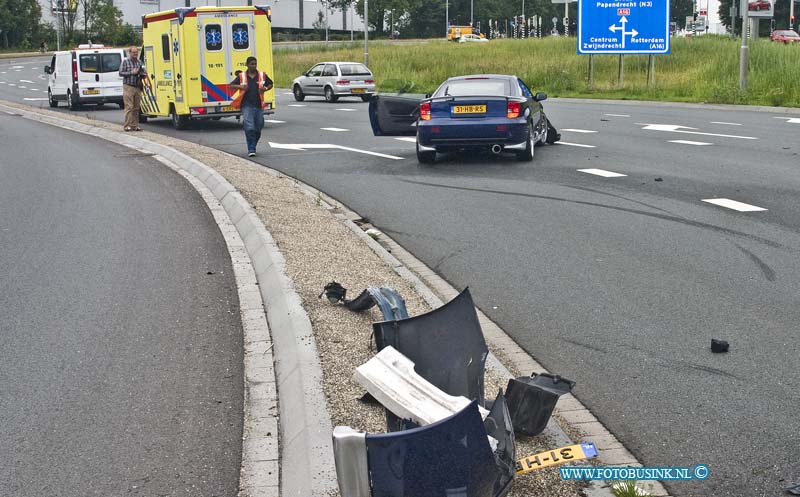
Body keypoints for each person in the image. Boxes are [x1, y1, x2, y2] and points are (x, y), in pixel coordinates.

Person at [230, 57, 273, 157]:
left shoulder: (262, 75)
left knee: (258, 127)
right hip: (246, 105)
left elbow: (270, 84)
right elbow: (231, 85)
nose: (254, 66)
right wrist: (240, 86)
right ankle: (251, 148)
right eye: (252, 64)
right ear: (247, 65)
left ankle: (253, 143)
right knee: (249, 127)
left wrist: (265, 88)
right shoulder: (242, 76)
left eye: (255, 64)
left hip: (258, 105)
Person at [118, 46, 146, 132]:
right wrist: (131, 72)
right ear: (130, 53)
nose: (135, 54)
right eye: (134, 53)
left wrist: (142, 74)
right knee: (129, 107)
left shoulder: (139, 62)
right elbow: (120, 72)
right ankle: (127, 126)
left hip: (137, 86)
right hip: (128, 86)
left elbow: (143, 72)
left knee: (136, 107)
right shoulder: (125, 62)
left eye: (136, 52)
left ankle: (135, 125)